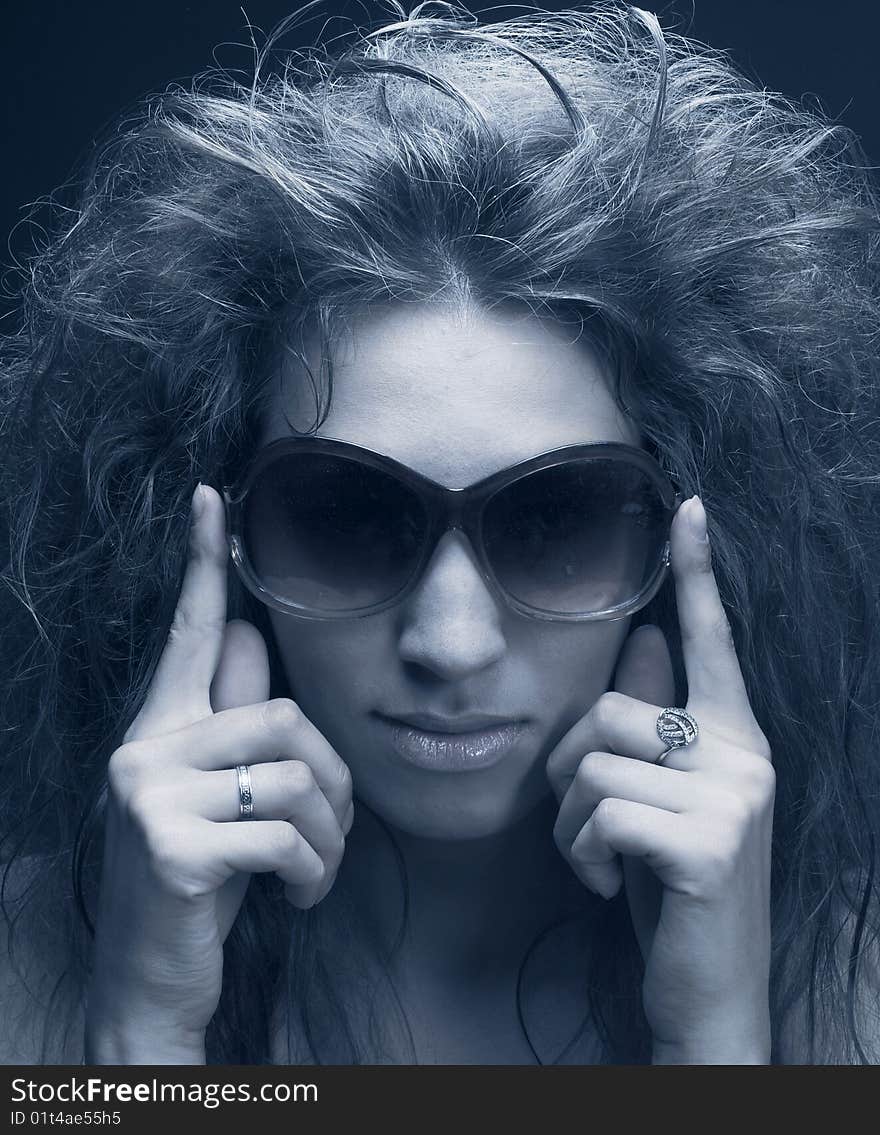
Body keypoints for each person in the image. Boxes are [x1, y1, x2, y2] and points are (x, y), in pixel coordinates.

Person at [1, 0, 879, 1066]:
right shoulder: (32, 961)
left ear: (683, 545)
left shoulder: (847, 986)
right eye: (348, 517)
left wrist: (716, 1040)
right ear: (216, 536)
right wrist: (142, 1026)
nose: (449, 642)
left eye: (555, 519)